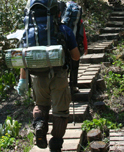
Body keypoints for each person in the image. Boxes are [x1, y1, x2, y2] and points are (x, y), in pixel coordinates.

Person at [16, 9, 80, 152]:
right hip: (59, 77)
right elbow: (76, 56)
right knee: (61, 111)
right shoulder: (64, 29)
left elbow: (23, 60)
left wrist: (22, 80)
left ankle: (39, 125)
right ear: (57, 14)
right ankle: (56, 143)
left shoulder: (27, 32)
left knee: (40, 105)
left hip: (37, 77)